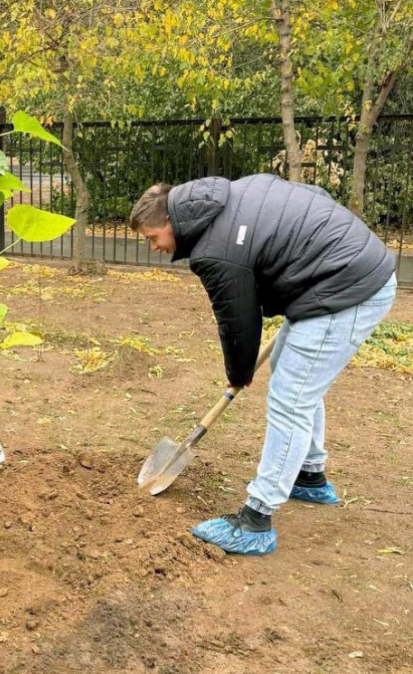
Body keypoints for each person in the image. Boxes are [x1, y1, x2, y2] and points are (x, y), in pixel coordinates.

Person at [130, 173, 397, 555]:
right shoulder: (231, 193)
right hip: (330, 276)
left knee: (292, 397)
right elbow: (311, 196)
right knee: (297, 376)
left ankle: (256, 519)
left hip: (348, 285)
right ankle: (309, 476)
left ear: (171, 222)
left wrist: (239, 375)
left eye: (152, 237)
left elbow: (237, 319)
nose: (153, 246)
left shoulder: (214, 249)